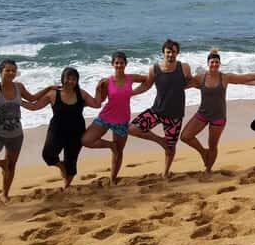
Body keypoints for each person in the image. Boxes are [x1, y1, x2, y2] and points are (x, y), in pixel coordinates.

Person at [0, 59, 52, 201]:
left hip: (16, 135)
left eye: (13, 70)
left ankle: (5, 194)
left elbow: (33, 98)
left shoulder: (19, 87)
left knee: (12, 166)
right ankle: (2, 164)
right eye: (7, 70)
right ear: (0, 72)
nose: (11, 73)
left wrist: (49, 88)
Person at [180, 49, 255, 173]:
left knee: (213, 146)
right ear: (207, 63)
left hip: (218, 117)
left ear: (219, 63)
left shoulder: (225, 77)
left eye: (216, 62)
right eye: (212, 62)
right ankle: (203, 152)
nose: (214, 64)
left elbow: (244, 78)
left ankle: (208, 170)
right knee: (185, 136)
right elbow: (183, 86)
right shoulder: (200, 77)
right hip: (202, 114)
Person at [80, 52, 150, 184]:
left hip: (122, 120)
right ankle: (110, 145)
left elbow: (148, 80)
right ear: (112, 64)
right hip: (106, 117)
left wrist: (135, 92)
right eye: (116, 63)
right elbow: (99, 102)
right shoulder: (107, 81)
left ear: (125, 64)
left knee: (118, 152)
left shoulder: (131, 78)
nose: (119, 65)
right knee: (86, 140)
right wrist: (97, 89)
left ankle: (113, 179)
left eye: (121, 62)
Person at [26, 67, 102, 189]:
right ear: (62, 79)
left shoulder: (81, 93)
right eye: (68, 78)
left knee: (71, 162)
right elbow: (34, 107)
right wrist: (17, 101)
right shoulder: (53, 94)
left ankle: (66, 187)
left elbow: (97, 104)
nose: (70, 81)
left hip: (76, 131)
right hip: (57, 130)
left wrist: (99, 89)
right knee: (48, 155)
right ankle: (61, 166)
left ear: (77, 81)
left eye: (74, 79)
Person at [129, 39, 192, 178]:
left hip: (175, 114)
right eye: (168, 52)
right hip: (157, 111)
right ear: (163, 52)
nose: (170, 54)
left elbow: (190, 82)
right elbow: (146, 85)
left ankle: (165, 172)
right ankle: (160, 140)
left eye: (173, 52)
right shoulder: (154, 69)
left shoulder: (184, 67)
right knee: (132, 128)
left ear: (177, 53)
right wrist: (132, 93)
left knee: (170, 148)